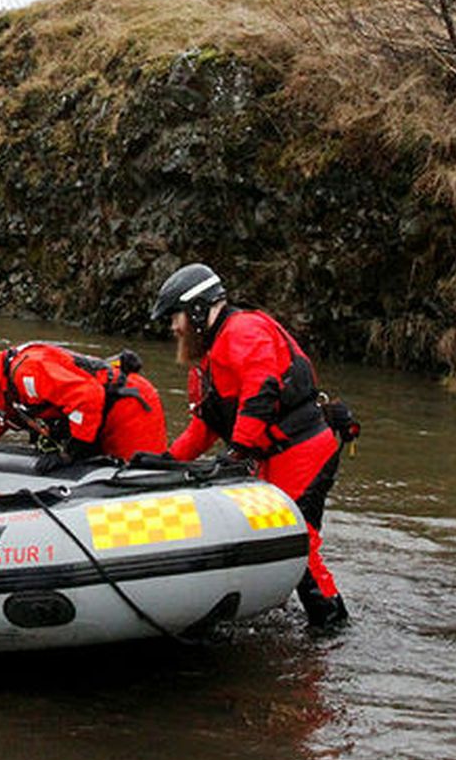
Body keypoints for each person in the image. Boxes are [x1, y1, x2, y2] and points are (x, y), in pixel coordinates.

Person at [150, 263, 350, 629]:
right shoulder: (210, 360)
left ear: (196, 310)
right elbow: (205, 426)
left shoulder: (243, 331)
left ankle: (332, 623)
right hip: (275, 456)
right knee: (276, 537)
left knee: (297, 540)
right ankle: (288, 611)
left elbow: (262, 390)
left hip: (303, 450)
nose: (173, 328)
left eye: (175, 317)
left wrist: (238, 451)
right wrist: (165, 462)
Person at [0, 337, 167, 493]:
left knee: (142, 487)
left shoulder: (28, 373)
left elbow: (88, 396)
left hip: (129, 410)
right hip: (98, 418)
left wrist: (71, 452)